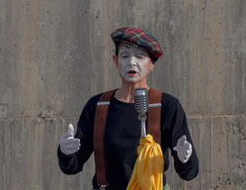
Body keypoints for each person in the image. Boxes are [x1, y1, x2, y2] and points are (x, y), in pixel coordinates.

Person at [57, 27, 199, 189]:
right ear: (116, 61)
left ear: (151, 64)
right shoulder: (98, 106)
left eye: (140, 56)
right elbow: (73, 166)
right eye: (125, 56)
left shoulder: (166, 106)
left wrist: (184, 158)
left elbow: (189, 173)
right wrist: (65, 152)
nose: (132, 62)